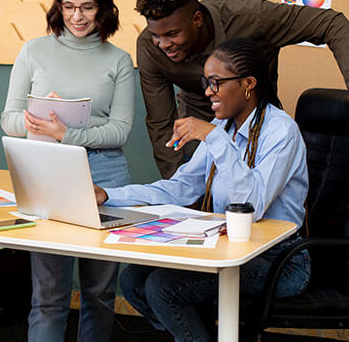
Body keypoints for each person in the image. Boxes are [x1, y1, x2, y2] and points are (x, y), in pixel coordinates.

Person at [95, 38, 311, 342]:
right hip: (228, 247)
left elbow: (251, 205)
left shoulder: (280, 131)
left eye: (215, 82)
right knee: (133, 280)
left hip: (279, 261)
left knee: (163, 288)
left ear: (248, 84)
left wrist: (214, 138)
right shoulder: (223, 128)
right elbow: (180, 189)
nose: (208, 91)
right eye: (205, 82)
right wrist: (108, 195)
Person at [1, 0, 135, 342]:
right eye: (69, 6)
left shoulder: (119, 60)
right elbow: (9, 120)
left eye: (87, 7)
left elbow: (120, 130)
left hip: (105, 176)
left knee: (100, 294)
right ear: (58, 7)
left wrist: (68, 133)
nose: (77, 16)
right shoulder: (33, 51)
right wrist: (39, 120)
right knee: (48, 297)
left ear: (104, 9)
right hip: (48, 172)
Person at [136, 0, 349, 178]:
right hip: (200, 134)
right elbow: (161, 124)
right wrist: (177, 186)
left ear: (197, 19)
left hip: (258, 131)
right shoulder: (149, 48)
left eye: (172, 34)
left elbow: (330, 23)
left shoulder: (252, 18)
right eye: (156, 35)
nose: (163, 44)